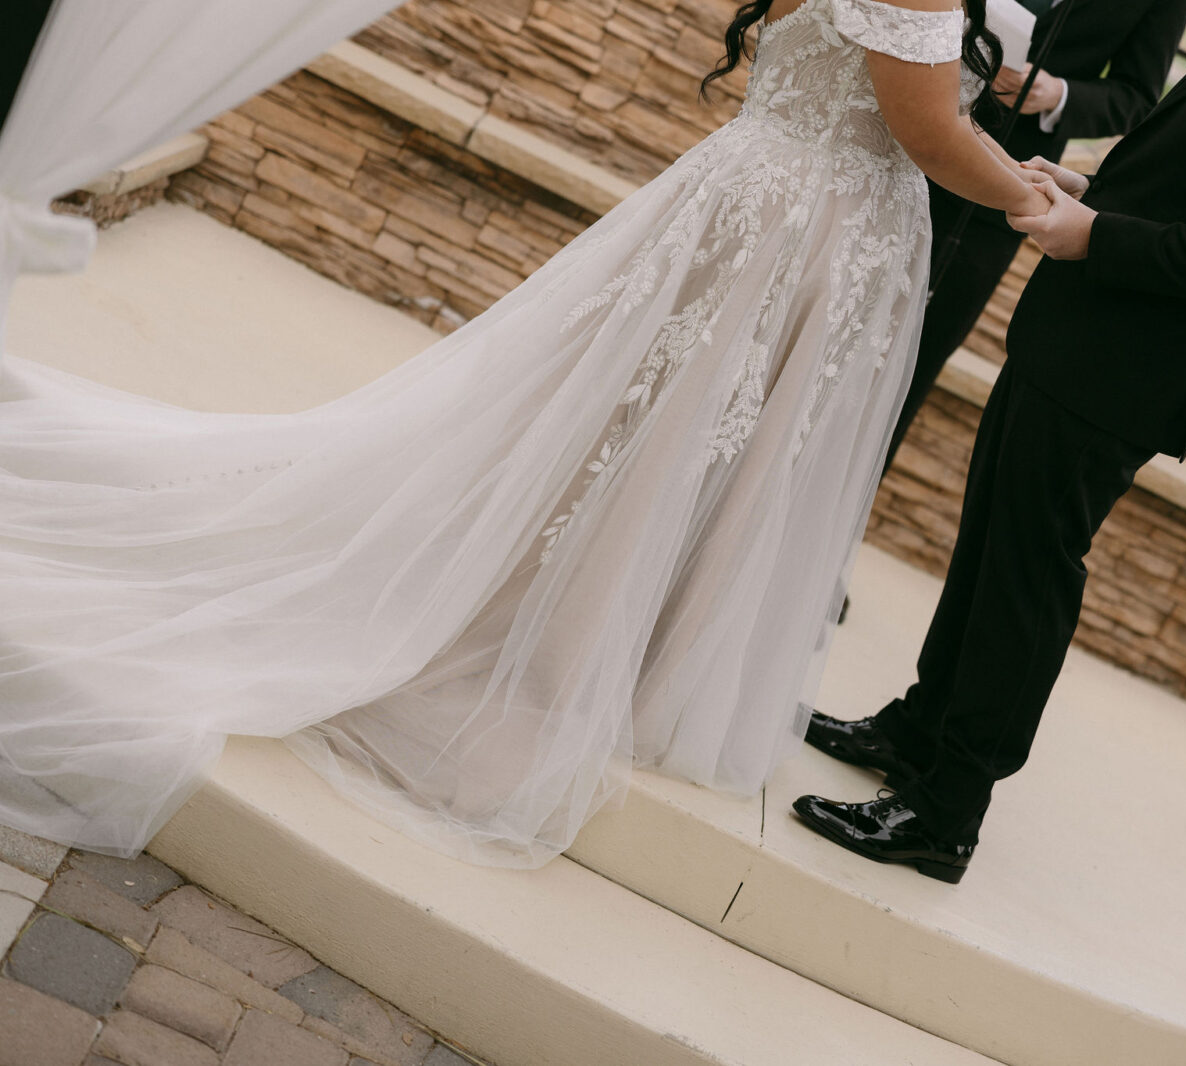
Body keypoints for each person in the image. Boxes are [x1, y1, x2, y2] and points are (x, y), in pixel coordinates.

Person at [0, 0, 1052, 866]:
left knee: (665, 432)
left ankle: (597, 638)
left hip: (770, 202)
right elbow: (921, 128)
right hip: (804, 228)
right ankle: (556, 652)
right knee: (680, 437)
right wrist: (1034, 198)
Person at [795, 0, 1186, 883]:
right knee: (991, 540)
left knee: (1029, 575)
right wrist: (1093, 195)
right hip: (1077, 339)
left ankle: (947, 809)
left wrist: (1099, 236)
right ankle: (917, 729)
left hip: (1124, 371)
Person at [880, 0, 1186, 476]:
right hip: (889, 141)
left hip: (990, 207)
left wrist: (1057, 94)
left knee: (909, 369)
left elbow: (1136, 97)